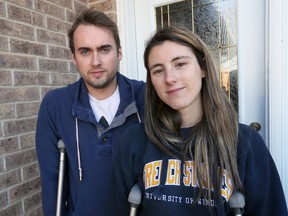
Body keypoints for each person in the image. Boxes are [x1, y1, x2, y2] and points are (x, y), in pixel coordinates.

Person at [108, 27, 288, 215]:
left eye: (180, 64)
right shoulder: (134, 142)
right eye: (158, 70)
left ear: (202, 68)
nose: (170, 78)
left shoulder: (245, 143)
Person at [35, 8, 145, 216]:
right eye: (85, 51)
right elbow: (51, 182)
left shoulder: (147, 97)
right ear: (74, 57)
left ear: (119, 52)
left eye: (104, 49)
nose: (95, 61)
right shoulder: (55, 105)